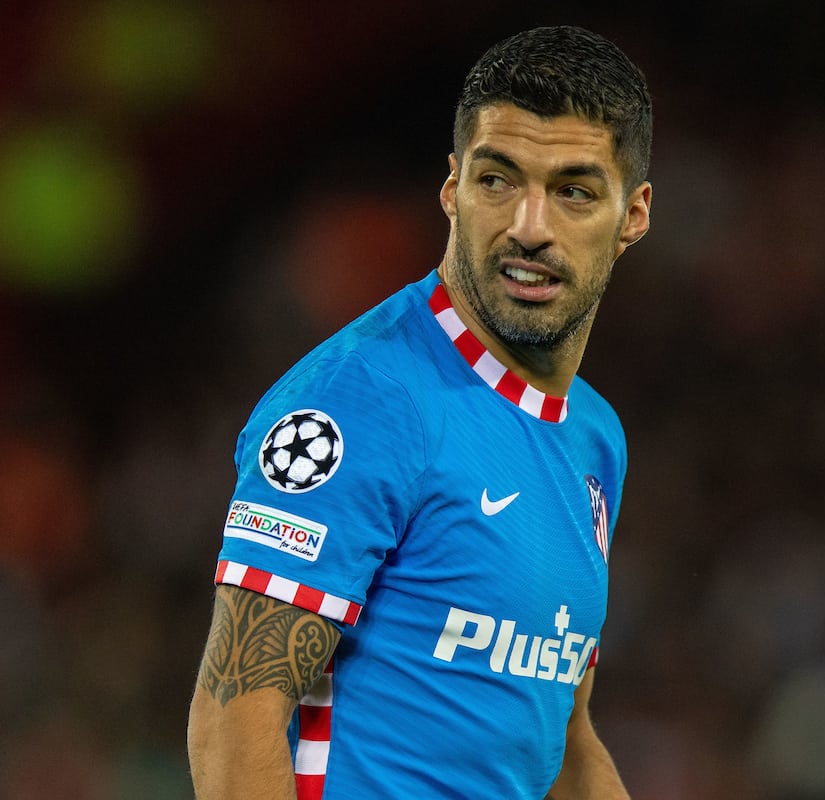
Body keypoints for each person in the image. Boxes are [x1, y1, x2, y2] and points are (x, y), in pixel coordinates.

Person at [187, 25, 652, 800]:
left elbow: (565, 745)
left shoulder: (593, 438)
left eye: (572, 190)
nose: (528, 227)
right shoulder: (357, 401)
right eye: (498, 180)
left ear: (632, 214)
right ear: (452, 190)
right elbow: (235, 719)